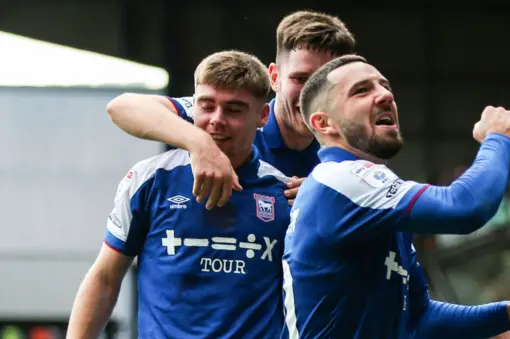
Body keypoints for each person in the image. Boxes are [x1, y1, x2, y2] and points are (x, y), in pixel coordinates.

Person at [281, 54, 510, 339]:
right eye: (361, 91)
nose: (385, 95)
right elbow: (466, 207)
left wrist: (509, 315)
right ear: (323, 122)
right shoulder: (342, 178)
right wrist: (498, 137)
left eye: (385, 87)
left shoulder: (369, 202)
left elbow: (418, 321)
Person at [63, 51, 292, 339]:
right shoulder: (150, 180)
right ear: (193, 104)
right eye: (207, 105)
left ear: (263, 116)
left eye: (234, 109)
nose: (217, 120)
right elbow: (105, 277)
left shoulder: (285, 194)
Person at [106, 10, 356, 208]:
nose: (311, 94)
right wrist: (202, 145)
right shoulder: (231, 114)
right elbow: (123, 107)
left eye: (325, 82)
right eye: (300, 79)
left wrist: (331, 196)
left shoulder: (348, 151)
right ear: (275, 77)